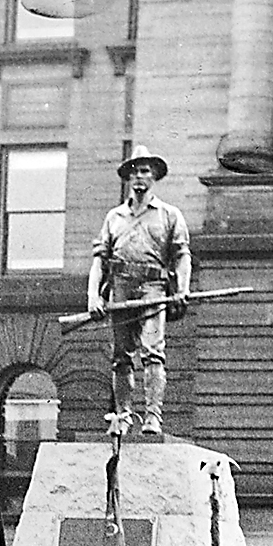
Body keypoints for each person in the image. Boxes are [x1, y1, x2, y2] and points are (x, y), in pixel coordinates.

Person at [88, 144, 191, 438]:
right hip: (121, 287)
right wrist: (93, 296)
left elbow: (182, 255)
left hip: (153, 288)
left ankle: (153, 416)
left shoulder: (169, 215)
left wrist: (181, 288)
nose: (139, 177)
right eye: (133, 171)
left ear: (154, 175)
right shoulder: (114, 217)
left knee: (153, 353)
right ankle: (122, 416)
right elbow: (99, 260)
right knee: (121, 356)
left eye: (144, 171)